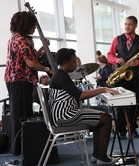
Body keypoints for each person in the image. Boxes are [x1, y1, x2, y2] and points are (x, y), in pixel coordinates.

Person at [49, 48, 119, 165]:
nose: (76, 64)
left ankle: (97, 156)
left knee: (99, 119)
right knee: (106, 118)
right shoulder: (61, 76)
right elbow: (79, 95)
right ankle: (102, 158)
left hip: (63, 114)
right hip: (65, 116)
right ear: (65, 62)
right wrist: (103, 89)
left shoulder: (60, 75)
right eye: (73, 61)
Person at [4, 11, 54, 155]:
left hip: (19, 80)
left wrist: (42, 48)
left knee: (23, 114)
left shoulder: (21, 38)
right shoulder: (21, 40)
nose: (34, 28)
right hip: (19, 81)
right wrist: (48, 69)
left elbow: (31, 57)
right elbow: (31, 63)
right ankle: (19, 151)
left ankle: (22, 149)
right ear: (26, 25)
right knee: (21, 115)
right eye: (32, 25)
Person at [107, 15, 139, 139]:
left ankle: (132, 128)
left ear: (135, 25)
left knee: (134, 104)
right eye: (125, 24)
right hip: (120, 76)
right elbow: (109, 54)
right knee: (120, 105)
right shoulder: (117, 39)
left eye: (129, 24)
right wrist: (116, 59)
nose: (127, 26)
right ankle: (121, 130)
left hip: (134, 77)